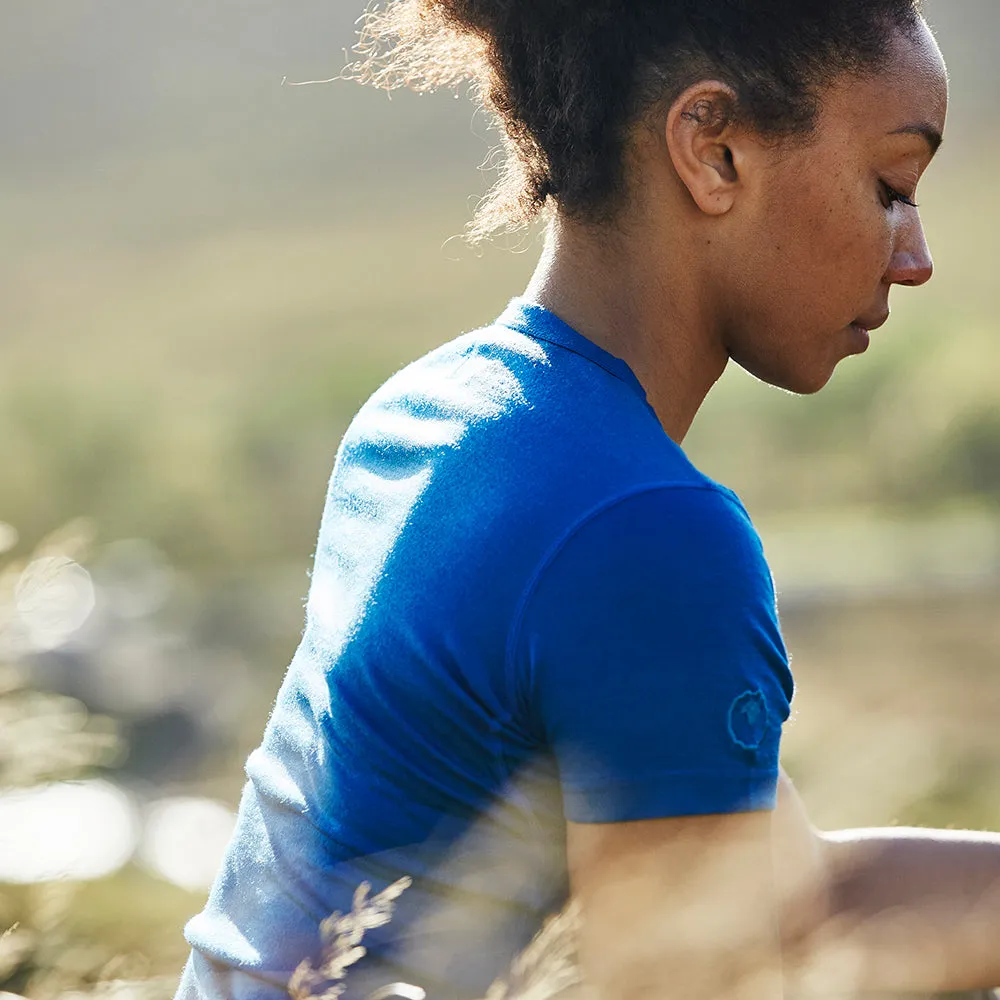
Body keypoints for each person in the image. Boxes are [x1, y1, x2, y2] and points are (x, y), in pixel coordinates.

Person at [174, 2, 1000, 999]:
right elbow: (706, 975)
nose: (914, 259)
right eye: (891, 187)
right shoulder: (639, 530)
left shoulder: (436, 412)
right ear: (713, 150)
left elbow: (783, 893)